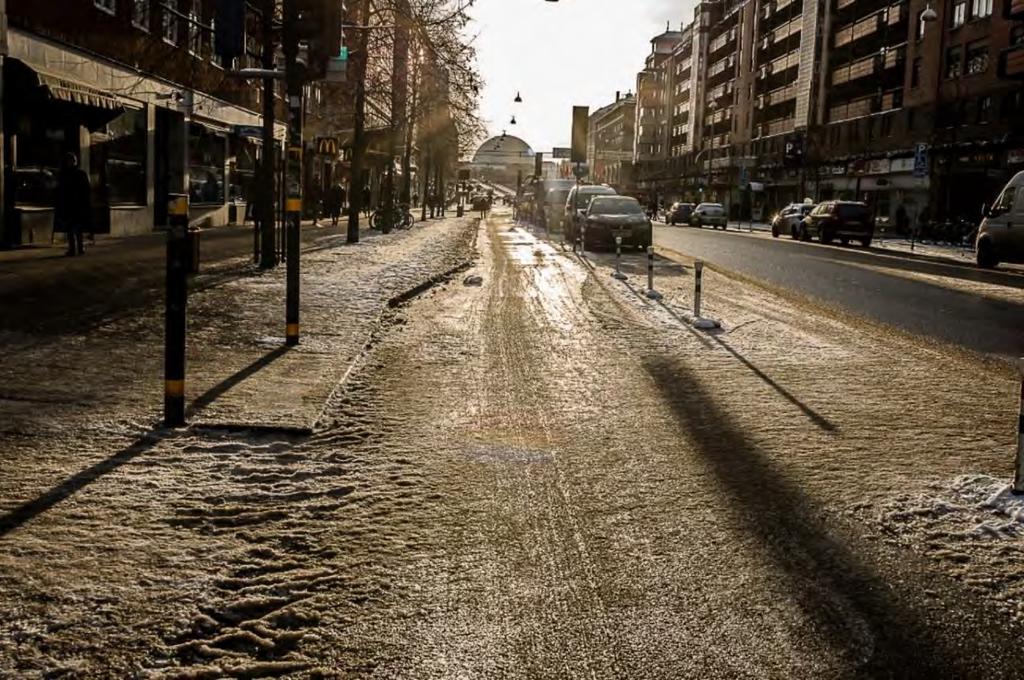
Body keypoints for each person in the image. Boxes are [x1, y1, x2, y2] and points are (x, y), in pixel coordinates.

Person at [55, 152, 92, 256]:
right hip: (72, 204)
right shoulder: (71, 174)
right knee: (73, 227)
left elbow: (86, 189)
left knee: (74, 227)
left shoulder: (72, 174)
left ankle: (77, 248)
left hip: (75, 204)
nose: (70, 163)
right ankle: (76, 248)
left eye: (71, 161)